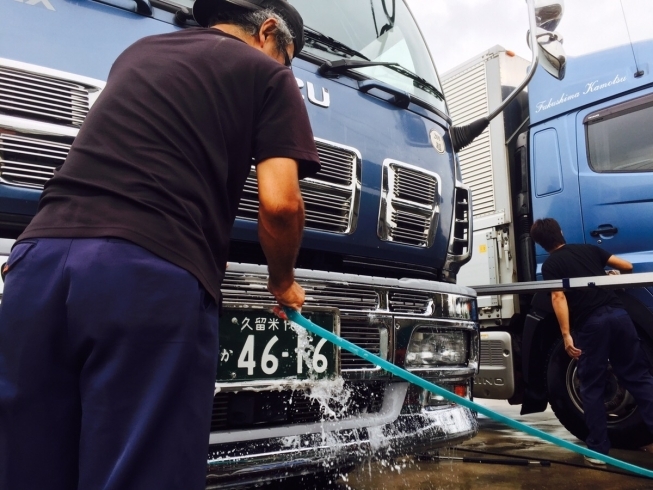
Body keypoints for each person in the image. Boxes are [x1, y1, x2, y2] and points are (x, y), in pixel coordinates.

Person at [0, 0, 320, 488]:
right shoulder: (267, 74)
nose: (285, 68)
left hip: (36, 262)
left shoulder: (140, 52)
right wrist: (283, 282)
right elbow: (280, 205)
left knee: (27, 464)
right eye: (288, 56)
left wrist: (38, 255)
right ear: (269, 32)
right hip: (146, 271)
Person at [530, 218, 653, 465]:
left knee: (592, 386)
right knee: (639, 377)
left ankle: (598, 450)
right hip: (620, 317)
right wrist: (607, 275)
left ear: (541, 244)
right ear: (561, 232)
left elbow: (558, 297)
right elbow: (626, 266)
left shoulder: (551, 265)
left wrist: (566, 335)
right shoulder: (589, 249)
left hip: (592, 325)